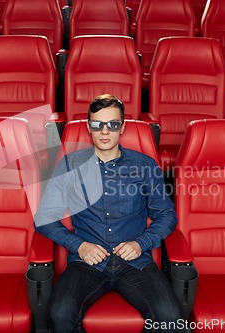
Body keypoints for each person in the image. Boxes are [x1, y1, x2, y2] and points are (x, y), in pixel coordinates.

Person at [34, 94, 183, 332]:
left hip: (135, 261)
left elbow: (167, 215)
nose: (105, 131)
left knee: (170, 319)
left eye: (113, 124)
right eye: (97, 124)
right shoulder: (70, 165)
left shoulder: (144, 166)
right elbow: (44, 218)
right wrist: (80, 245)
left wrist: (140, 243)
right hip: (87, 262)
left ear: (122, 127)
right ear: (88, 127)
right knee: (60, 315)